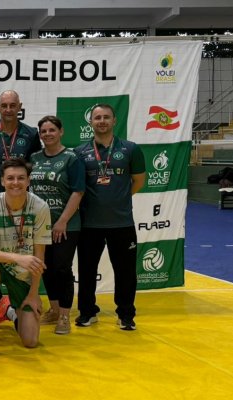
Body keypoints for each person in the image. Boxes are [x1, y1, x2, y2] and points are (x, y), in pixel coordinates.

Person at [0, 159, 51, 358]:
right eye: (10, 178)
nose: (16, 182)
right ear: (2, 181)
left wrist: (33, 293)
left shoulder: (40, 207)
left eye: (21, 178)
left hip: (23, 276)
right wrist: (17, 258)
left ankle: (8, 310)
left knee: (30, 341)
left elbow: (39, 256)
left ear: (28, 181)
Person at [73, 103, 146, 331]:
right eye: (97, 118)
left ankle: (125, 315)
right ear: (91, 122)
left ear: (114, 121)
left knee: (126, 272)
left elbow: (139, 181)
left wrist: (119, 199)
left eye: (106, 117)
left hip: (122, 223)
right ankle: (87, 312)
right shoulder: (79, 152)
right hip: (89, 223)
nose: (102, 121)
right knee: (86, 270)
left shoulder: (131, 149)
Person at [0, 90, 42, 322]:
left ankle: (17, 300)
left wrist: (14, 190)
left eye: (13, 105)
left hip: (19, 203)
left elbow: (31, 167)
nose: (9, 109)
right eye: (5, 105)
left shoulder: (31, 134)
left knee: (19, 249)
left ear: (19, 106)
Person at [30, 116, 85, 334]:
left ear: (60, 132)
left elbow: (78, 191)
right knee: (46, 268)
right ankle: (53, 310)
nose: (47, 134)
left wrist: (62, 221)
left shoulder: (72, 158)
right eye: (43, 131)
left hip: (66, 225)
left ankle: (64, 315)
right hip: (40, 225)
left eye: (52, 130)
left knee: (62, 269)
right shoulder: (34, 157)